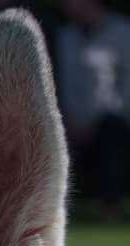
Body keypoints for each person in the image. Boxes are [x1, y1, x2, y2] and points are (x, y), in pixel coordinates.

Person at [57, 0, 130, 217]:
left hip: (113, 118)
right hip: (73, 121)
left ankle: (110, 206)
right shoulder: (66, 37)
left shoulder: (122, 31)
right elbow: (65, 83)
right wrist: (71, 119)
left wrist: (97, 119)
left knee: (112, 136)